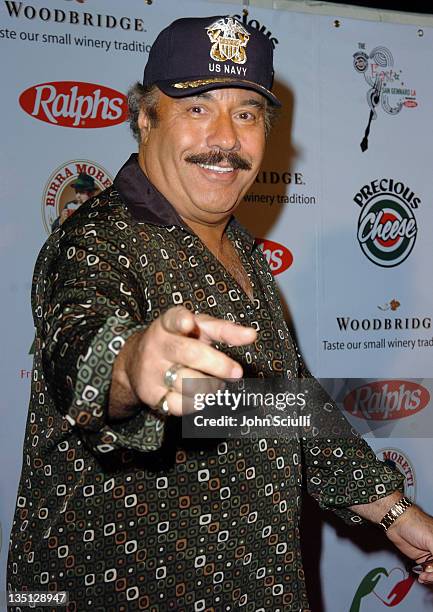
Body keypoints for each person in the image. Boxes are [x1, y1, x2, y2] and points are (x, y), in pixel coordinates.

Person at [7, 15, 433, 611]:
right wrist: (130, 365)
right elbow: (81, 342)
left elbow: (281, 408)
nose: (227, 139)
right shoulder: (94, 242)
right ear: (143, 118)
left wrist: (396, 514)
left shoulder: (239, 247)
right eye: (198, 107)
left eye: (247, 113)